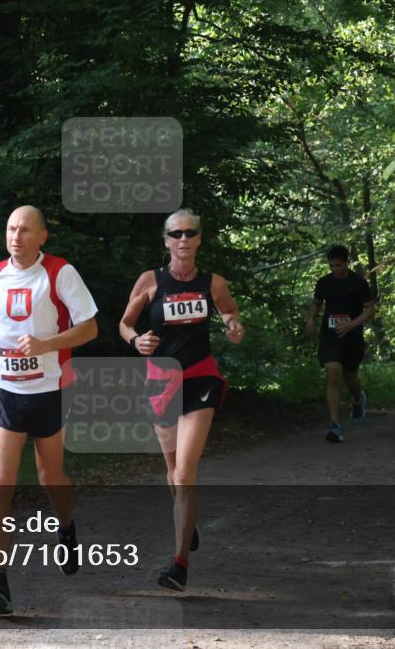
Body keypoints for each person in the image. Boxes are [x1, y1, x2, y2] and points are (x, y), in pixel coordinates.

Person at [0, 205, 99, 615]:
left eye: (25, 230)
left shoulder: (61, 273)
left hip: (49, 390)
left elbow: (91, 327)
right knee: (0, 481)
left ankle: (66, 527)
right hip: (5, 389)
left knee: (51, 477)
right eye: (11, 228)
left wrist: (47, 344)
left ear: (42, 236)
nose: (16, 236)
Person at [118, 208, 244, 591]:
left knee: (186, 472)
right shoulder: (149, 281)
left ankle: (179, 564)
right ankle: (186, 522)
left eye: (190, 233)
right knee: (173, 472)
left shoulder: (213, 282)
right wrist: (136, 340)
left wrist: (233, 326)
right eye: (176, 234)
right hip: (161, 381)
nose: (183, 240)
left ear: (200, 238)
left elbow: (230, 312)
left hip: (200, 377)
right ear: (166, 240)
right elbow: (125, 324)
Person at [304, 245, 375, 443]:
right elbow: (317, 304)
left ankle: (358, 399)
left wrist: (351, 325)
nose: (335, 269)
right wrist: (311, 319)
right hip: (330, 335)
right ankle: (335, 425)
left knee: (350, 378)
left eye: (339, 265)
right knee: (332, 371)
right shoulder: (324, 283)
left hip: (352, 337)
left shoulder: (358, 283)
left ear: (346, 263)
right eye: (332, 266)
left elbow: (370, 309)